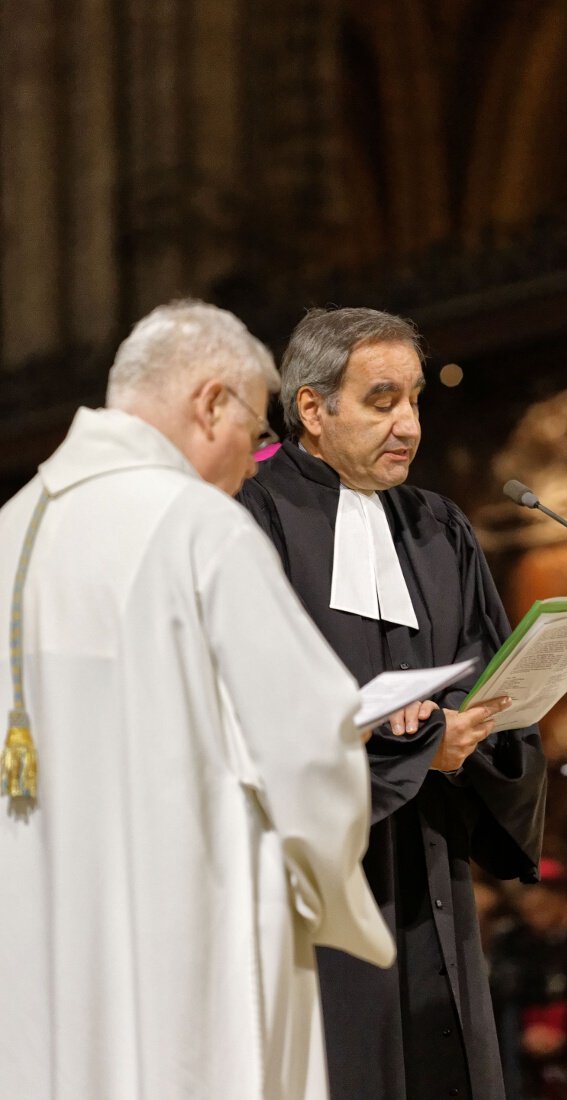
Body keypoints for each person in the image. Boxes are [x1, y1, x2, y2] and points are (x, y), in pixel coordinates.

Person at [0, 300, 394, 1100]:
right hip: (187, 932)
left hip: (38, 946)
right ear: (210, 401)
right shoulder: (196, 527)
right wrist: (333, 890)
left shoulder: (10, 529)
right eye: (255, 436)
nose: (254, 466)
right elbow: (311, 742)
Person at [238, 306, 547, 1100]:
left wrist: (485, 732)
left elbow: (491, 686)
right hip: (319, 883)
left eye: (413, 400)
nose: (407, 424)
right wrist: (411, 750)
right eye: (381, 401)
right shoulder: (252, 520)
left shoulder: (437, 528)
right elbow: (252, 718)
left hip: (433, 870)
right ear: (312, 407)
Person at [490, 858, 567, 1100]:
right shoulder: (512, 942)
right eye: (528, 897)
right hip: (523, 1064)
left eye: (547, 896)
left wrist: (566, 1038)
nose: (534, 901)